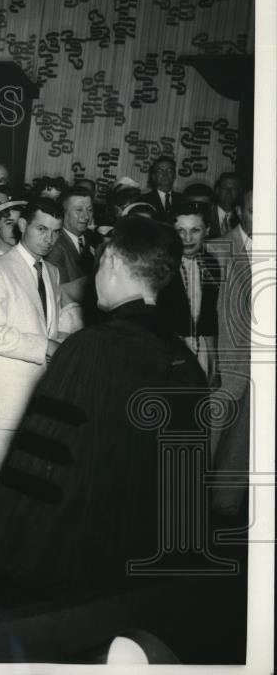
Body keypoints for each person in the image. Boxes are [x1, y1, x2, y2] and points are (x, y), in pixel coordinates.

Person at [0, 217, 206, 606]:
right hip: (149, 558)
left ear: (109, 262)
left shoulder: (90, 348)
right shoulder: (184, 359)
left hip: (80, 555)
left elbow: (45, 461)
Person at [0, 198, 66, 513]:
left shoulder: (52, 272)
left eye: (55, 231)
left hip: (38, 399)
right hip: (3, 402)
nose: (48, 239)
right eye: (41, 228)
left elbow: (46, 325)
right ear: (22, 225)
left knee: (15, 496)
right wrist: (45, 346)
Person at [207, 188, 253, 519]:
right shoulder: (216, 249)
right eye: (252, 211)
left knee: (240, 447)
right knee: (207, 442)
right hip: (222, 365)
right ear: (238, 211)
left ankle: (224, 506)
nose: (261, 219)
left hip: (257, 366)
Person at [158, 202, 221, 386]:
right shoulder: (160, 265)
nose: (187, 238)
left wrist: (213, 365)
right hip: (167, 353)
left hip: (200, 351)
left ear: (207, 230)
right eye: (180, 231)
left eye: (195, 230)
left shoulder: (211, 265)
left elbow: (209, 319)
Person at [45, 186, 97, 331]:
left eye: (90, 210)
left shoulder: (91, 240)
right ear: (63, 213)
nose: (86, 217)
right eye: (79, 210)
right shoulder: (55, 245)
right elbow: (59, 295)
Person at [138, 156, 182, 220]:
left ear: (174, 175)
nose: (165, 174)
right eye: (160, 171)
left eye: (169, 170)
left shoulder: (183, 200)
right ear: (153, 176)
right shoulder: (143, 200)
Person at [209, 172, 243, 238]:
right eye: (224, 188)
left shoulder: (242, 217)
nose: (228, 192)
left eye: (234, 189)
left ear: (240, 192)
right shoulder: (207, 213)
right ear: (217, 190)